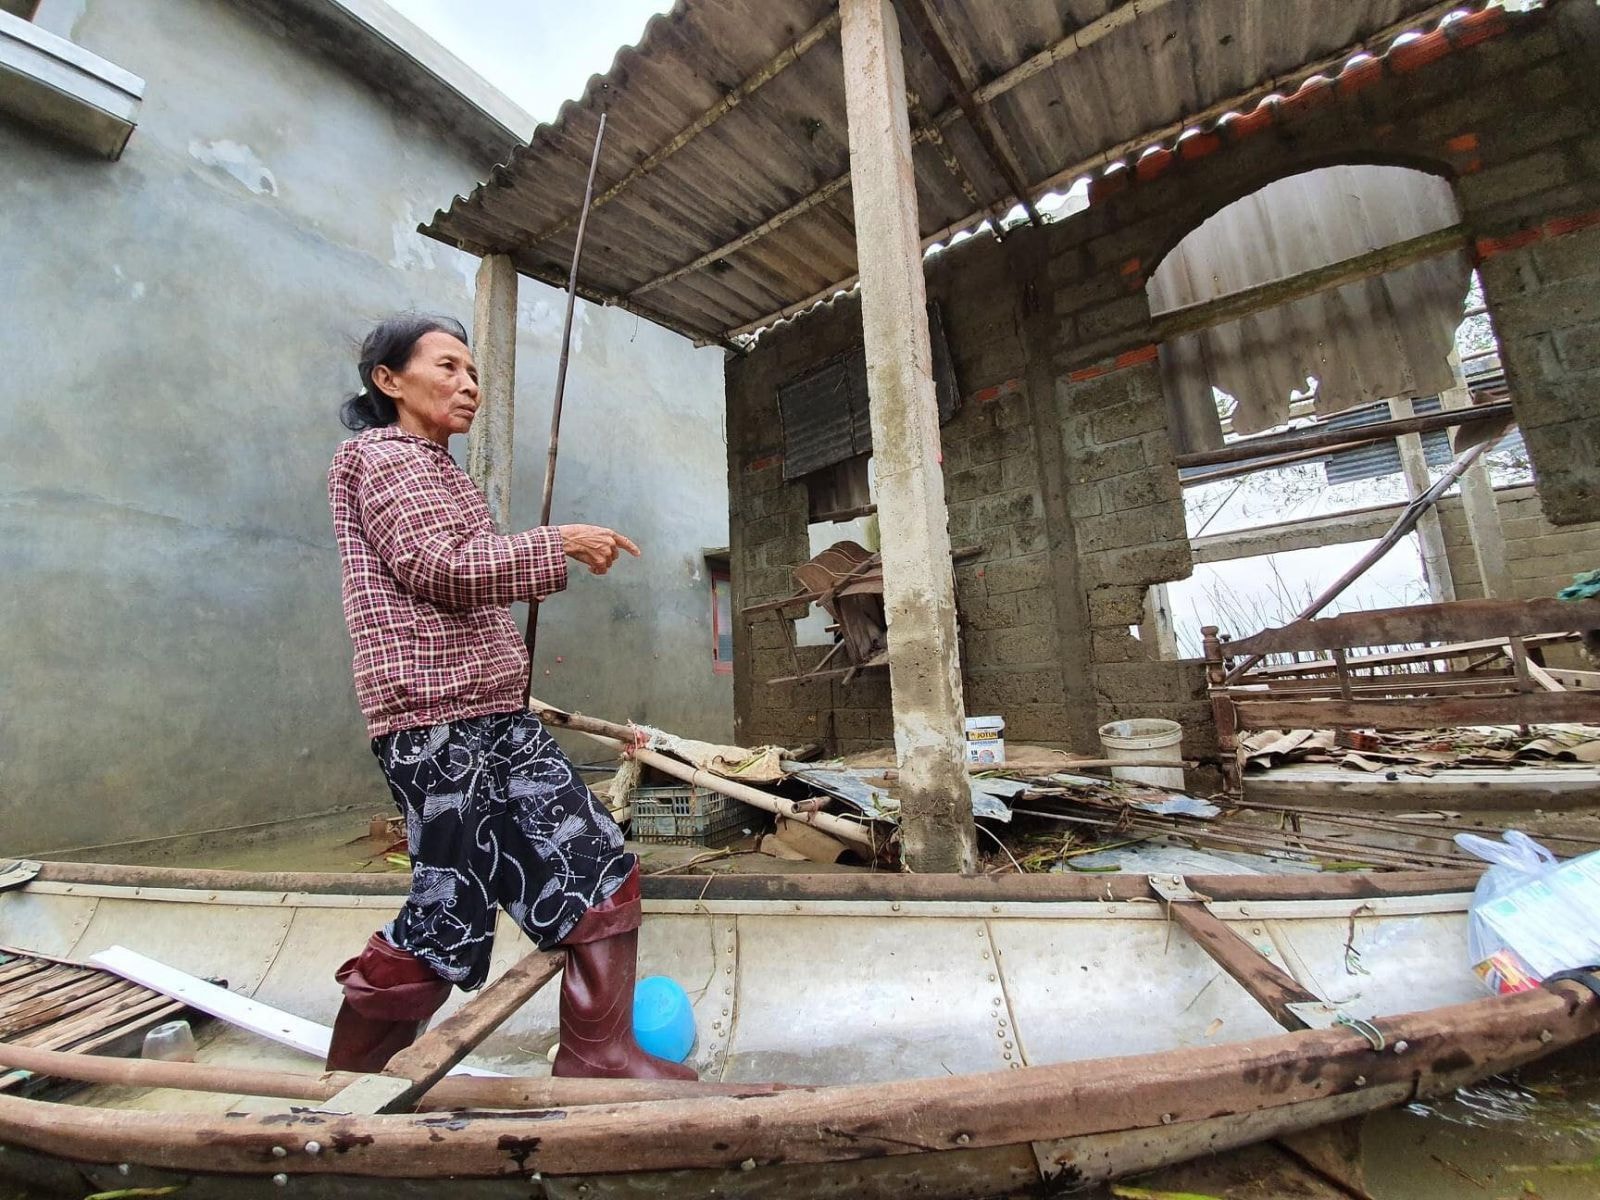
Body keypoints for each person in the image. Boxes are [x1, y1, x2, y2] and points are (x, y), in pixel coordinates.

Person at [324, 313, 694, 1081]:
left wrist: (537, 551)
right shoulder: (382, 457)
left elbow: (464, 566)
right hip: (435, 722)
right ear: (388, 381)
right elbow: (439, 566)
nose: (467, 385)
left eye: (472, 373)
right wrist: (555, 541)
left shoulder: (433, 465)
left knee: (596, 868)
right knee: (447, 913)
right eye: (447, 367)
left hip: (491, 717)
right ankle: (348, 1090)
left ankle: (599, 1057)